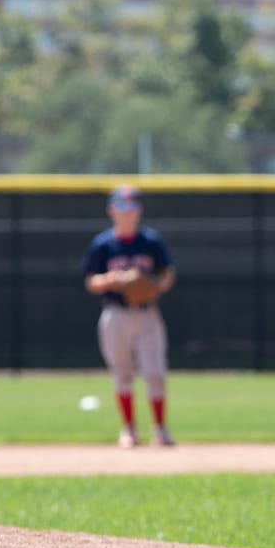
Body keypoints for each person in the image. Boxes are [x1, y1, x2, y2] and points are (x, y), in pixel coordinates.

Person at [82, 184, 177, 448]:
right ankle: (129, 430)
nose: (127, 211)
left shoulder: (151, 241)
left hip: (147, 314)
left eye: (132, 205)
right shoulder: (103, 245)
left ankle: (160, 429)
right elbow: (90, 282)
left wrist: (153, 284)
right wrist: (112, 279)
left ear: (139, 210)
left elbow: (167, 274)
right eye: (121, 205)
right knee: (122, 373)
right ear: (112, 210)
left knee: (155, 373)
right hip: (115, 314)